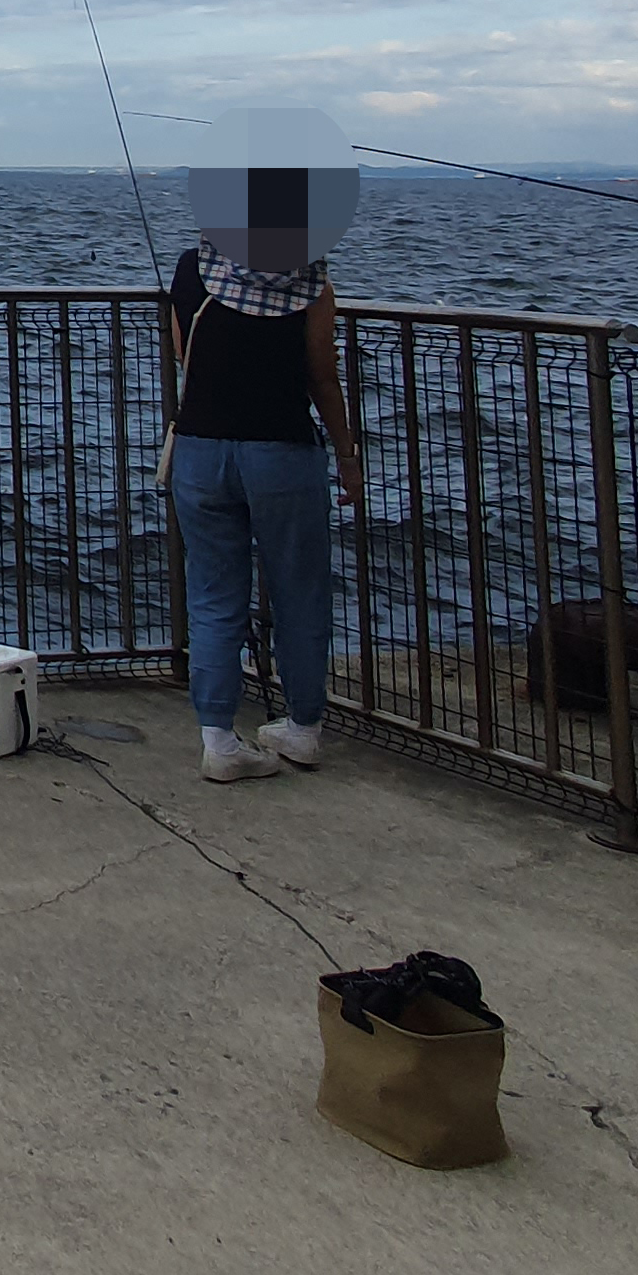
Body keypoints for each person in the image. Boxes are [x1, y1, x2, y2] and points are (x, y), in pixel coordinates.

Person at [162, 110, 368, 784]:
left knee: (215, 595)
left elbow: (185, 360)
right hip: (283, 450)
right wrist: (347, 453)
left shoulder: (192, 272)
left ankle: (219, 740)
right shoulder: (312, 285)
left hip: (200, 449)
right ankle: (303, 727)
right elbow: (322, 377)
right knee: (300, 591)